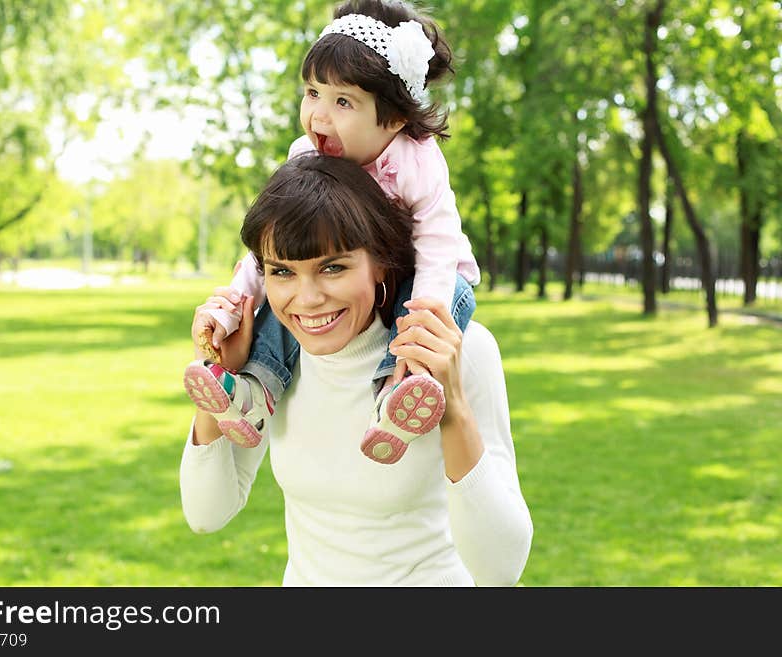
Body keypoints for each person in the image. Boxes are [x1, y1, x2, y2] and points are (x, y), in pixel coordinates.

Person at [180, 153, 532, 586]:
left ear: (380, 261)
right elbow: (205, 513)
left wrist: (453, 408)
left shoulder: (460, 349)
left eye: (333, 267)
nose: (306, 300)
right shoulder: (275, 362)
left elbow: (501, 570)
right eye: (283, 272)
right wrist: (221, 372)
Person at [184, 0, 481, 465]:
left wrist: (424, 318)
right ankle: (254, 392)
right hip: (340, 277)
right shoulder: (306, 155)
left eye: (343, 101)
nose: (319, 116)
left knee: (449, 299)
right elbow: (272, 251)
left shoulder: (416, 161)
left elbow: (438, 246)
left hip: (422, 273)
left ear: (395, 117)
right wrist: (230, 304)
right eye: (312, 93)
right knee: (298, 288)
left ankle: (397, 393)